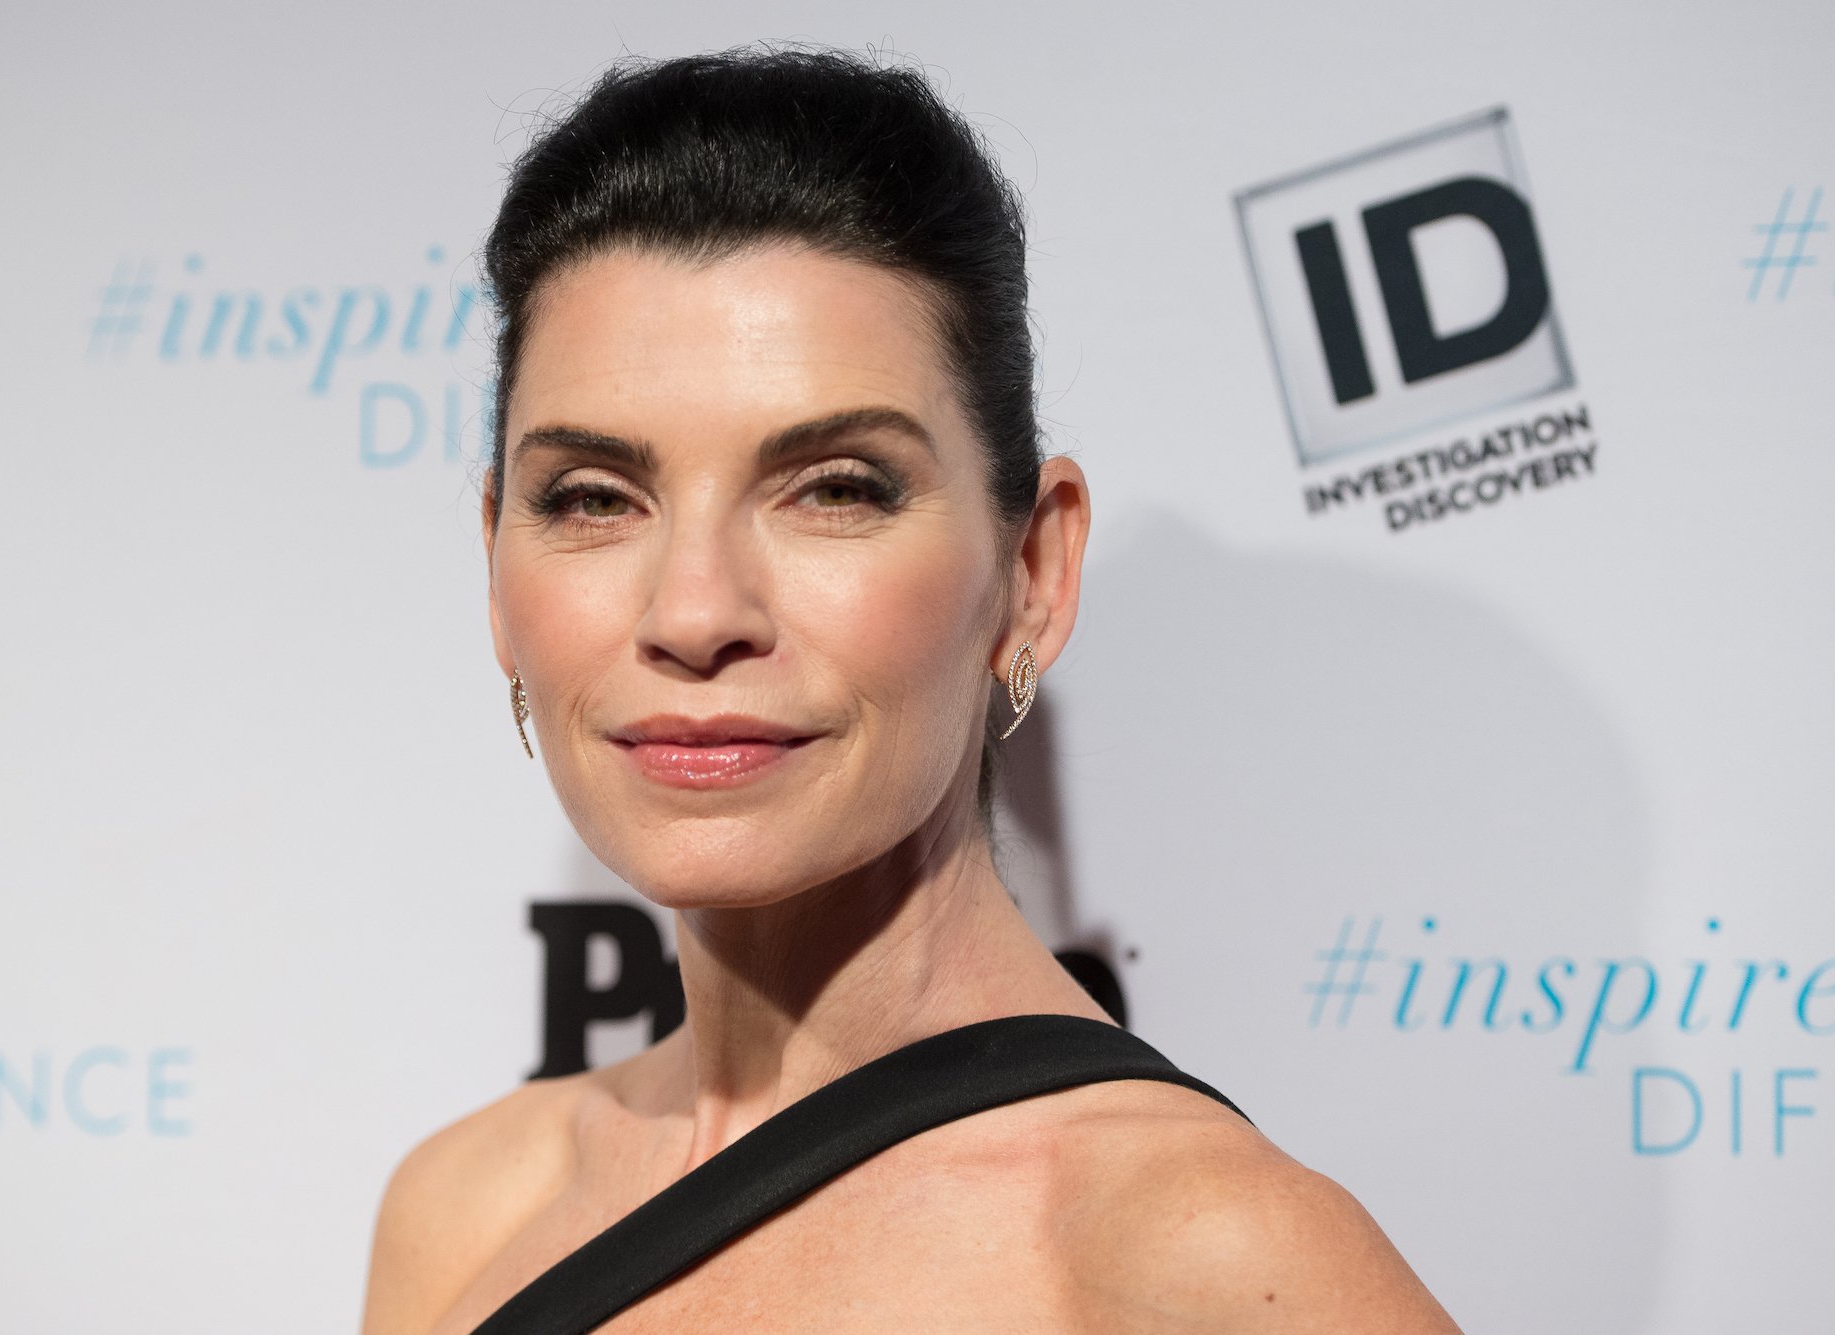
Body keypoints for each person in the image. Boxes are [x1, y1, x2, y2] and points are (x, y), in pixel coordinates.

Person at [360, 47, 1459, 1335]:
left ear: (1033, 569)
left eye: (836, 488)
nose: (696, 614)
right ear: (497, 568)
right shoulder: (464, 1210)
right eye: (594, 499)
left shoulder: (1195, 1263)